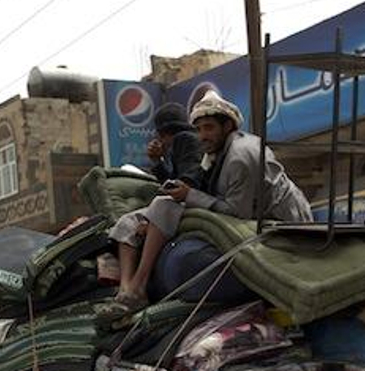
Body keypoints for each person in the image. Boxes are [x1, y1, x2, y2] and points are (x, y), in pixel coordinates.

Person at [110, 90, 313, 309]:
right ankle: (127, 289)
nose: (202, 136)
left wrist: (189, 195)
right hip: (242, 211)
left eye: (209, 127)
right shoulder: (215, 151)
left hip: (282, 220)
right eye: (199, 129)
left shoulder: (239, 158)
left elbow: (238, 212)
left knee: (163, 207)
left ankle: (138, 285)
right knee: (135, 219)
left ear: (227, 127)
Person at [147, 102, 203, 189]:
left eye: (161, 136)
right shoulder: (186, 141)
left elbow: (183, 187)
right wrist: (157, 161)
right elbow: (171, 184)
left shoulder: (184, 139)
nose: (161, 142)